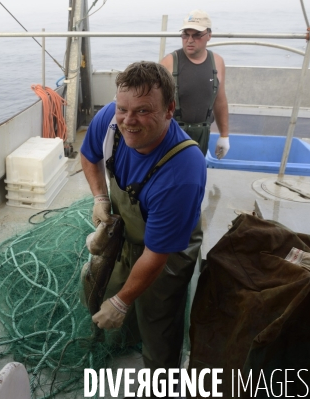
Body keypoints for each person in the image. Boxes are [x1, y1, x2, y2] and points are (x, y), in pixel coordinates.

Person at [80, 61, 206, 378]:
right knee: (95, 284)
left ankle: (160, 380)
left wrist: (121, 302)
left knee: (158, 320)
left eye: (143, 111)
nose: (129, 121)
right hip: (127, 233)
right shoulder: (110, 120)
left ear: (169, 109)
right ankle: (120, 335)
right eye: (123, 109)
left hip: (167, 249)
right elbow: (89, 154)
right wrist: (100, 196)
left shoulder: (182, 172)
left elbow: (156, 254)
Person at [160, 9, 230, 159]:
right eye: (186, 34)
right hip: (172, 133)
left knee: (196, 174)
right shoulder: (168, 63)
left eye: (197, 35)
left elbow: (220, 100)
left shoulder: (217, 62)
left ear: (209, 35)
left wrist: (224, 135)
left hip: (203, 133)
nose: (190, 40)